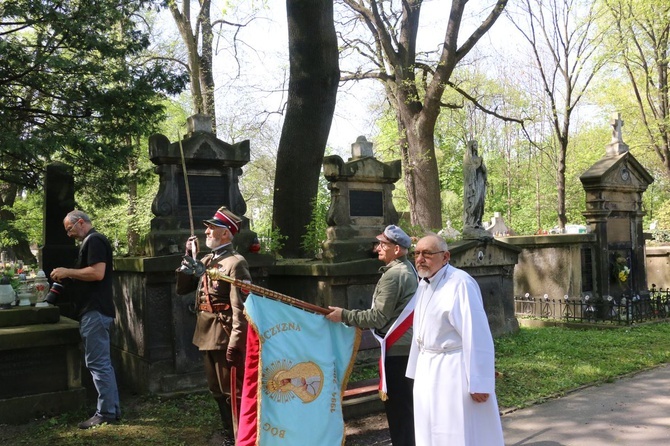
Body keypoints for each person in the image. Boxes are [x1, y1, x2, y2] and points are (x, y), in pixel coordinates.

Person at [406, 234, 504, 446]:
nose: (420, 258)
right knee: (428, 426)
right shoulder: (424, 283)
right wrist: (415, 368)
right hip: (427, 367)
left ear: (445, 256)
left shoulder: (460, 283)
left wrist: (480, 381)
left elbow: (476, 334)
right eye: (417, 253)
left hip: (452, 370)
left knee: (454, 428)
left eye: (427, 253)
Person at [326, 225, 417, 446]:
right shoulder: (408, 269)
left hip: (397, 351)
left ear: (397, 249)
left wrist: (344, 315)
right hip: (406, 348)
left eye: (383, 244)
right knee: (406, 410)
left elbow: (377, 317)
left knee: (399, 412)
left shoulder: (394, 276)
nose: (377, 248)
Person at [175, 206, 251, 445]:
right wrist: (190, 257)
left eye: (212, 228)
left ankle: (242, 436)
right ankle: (230, 432)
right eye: (207, 227)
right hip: (206, 333)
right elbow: (183, 289)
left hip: (224, 333)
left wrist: (237, 342)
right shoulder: (208, 260)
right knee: (216, 391)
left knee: (232, 392)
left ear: (226, 233)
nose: (206, 231)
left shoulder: (235, 263)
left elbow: (241, 308)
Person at [50, 210, 120, 429]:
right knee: (101, 363)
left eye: (69, 229)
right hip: (94, 310)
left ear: (80, 222)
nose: (69, 235)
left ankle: (106, 412)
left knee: (98, 363)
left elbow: (97, 273)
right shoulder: (91, 242)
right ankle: (112, 409)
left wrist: (68, 272)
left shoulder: (95, 240)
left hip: (95, 310)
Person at [463, 140, 487, 230]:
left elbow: (484, 171)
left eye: (477, 145)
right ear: (471, 146)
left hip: (480, 182)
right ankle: (471, 222)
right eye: (474, 145)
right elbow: (468, 171)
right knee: (475, 202)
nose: (476, 146)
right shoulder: (467, 159)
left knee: (480, 202)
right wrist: (478, 164)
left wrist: (482, 165)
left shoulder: (478, 157)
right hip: (472, 185)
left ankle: (478, 221)